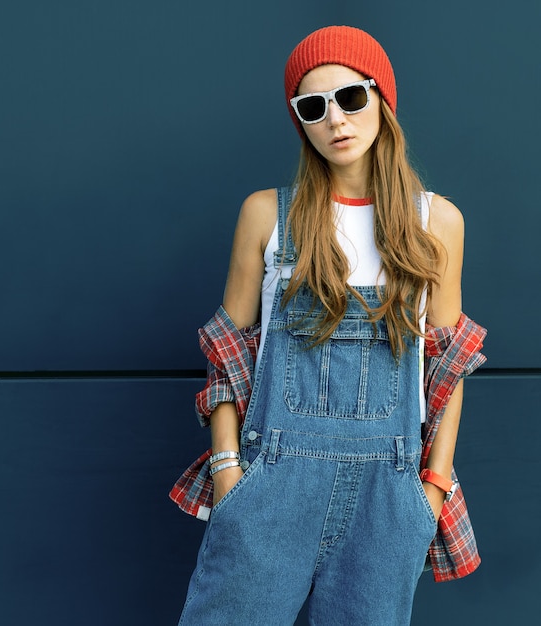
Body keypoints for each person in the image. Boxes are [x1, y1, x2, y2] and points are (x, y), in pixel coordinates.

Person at [170, 25, 487, 625]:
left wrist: (432, 491)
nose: (335, 119)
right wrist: (227, 474)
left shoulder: (436, 223)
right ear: (300, 122)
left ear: (381, 99)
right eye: (312, 107)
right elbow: (225, 354)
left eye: (351, 97)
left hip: (386, 499)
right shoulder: (269, 215)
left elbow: (449, 370)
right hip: (270, 486)